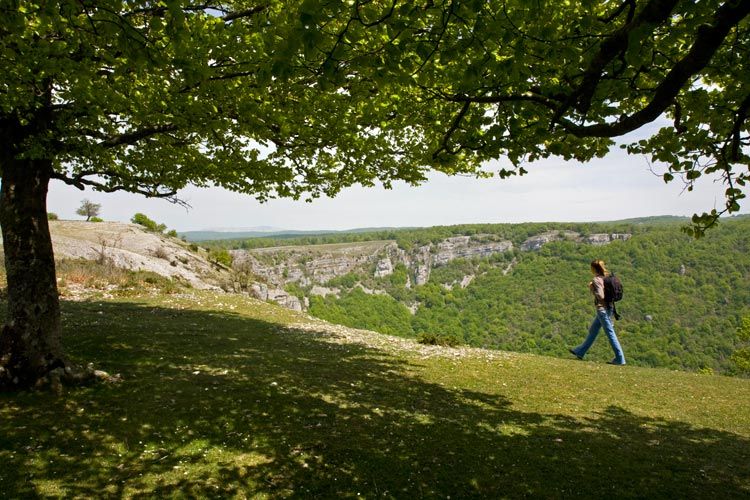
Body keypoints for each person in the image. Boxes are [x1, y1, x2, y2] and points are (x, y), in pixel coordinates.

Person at [569, 259, 626, 365]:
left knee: (610, 333)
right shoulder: (607, 277)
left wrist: (592, 288)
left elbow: (601, 296)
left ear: (593, 268)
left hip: (602, 309)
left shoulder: (596, 279)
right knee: (593, 330)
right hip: (609, 308)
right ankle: (580, 351)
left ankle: (620, 358)